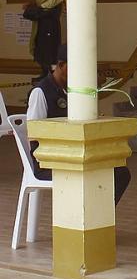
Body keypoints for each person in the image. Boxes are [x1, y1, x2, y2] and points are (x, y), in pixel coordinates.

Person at [27, 45, 131, 205]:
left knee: (120, 173)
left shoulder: (74, 91)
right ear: (61, 65)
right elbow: (33, 133)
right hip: (49, 161)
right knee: (91, 174)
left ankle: (99, 214)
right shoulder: (41, 92)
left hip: (75, 154)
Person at [22, 0, 64, 81]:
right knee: (39, 48)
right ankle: (44, 71)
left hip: (49, 25)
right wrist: (32, 9)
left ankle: (49, 73)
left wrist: (32, 11)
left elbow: (46, 10)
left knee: (48, 50)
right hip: (39, 26)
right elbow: (37, 7)